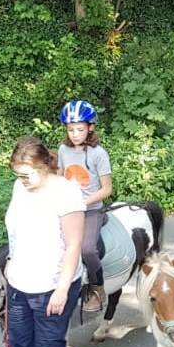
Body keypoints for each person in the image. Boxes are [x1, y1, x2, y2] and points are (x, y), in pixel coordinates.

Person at [1, 136, 97, 347]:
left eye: (27, 174)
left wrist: (62, 288)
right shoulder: (21, 187)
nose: (22, 180)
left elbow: (73, 245)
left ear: (44, 166)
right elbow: (17, 230)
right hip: (20, 281)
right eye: (18, 174)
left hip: (53, 285)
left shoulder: (67, 194)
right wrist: (10, 263)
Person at [57, 100, 115, 313]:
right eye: (70, 129)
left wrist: (82, 202)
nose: (74, 134)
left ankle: (97, 286)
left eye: (80, 129)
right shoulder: (63, 149)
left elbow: (106, 188)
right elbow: (59, 175)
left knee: (88, 249)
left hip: (91, 209)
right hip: (67, 208)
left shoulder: (99, 153)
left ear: (90, 128)